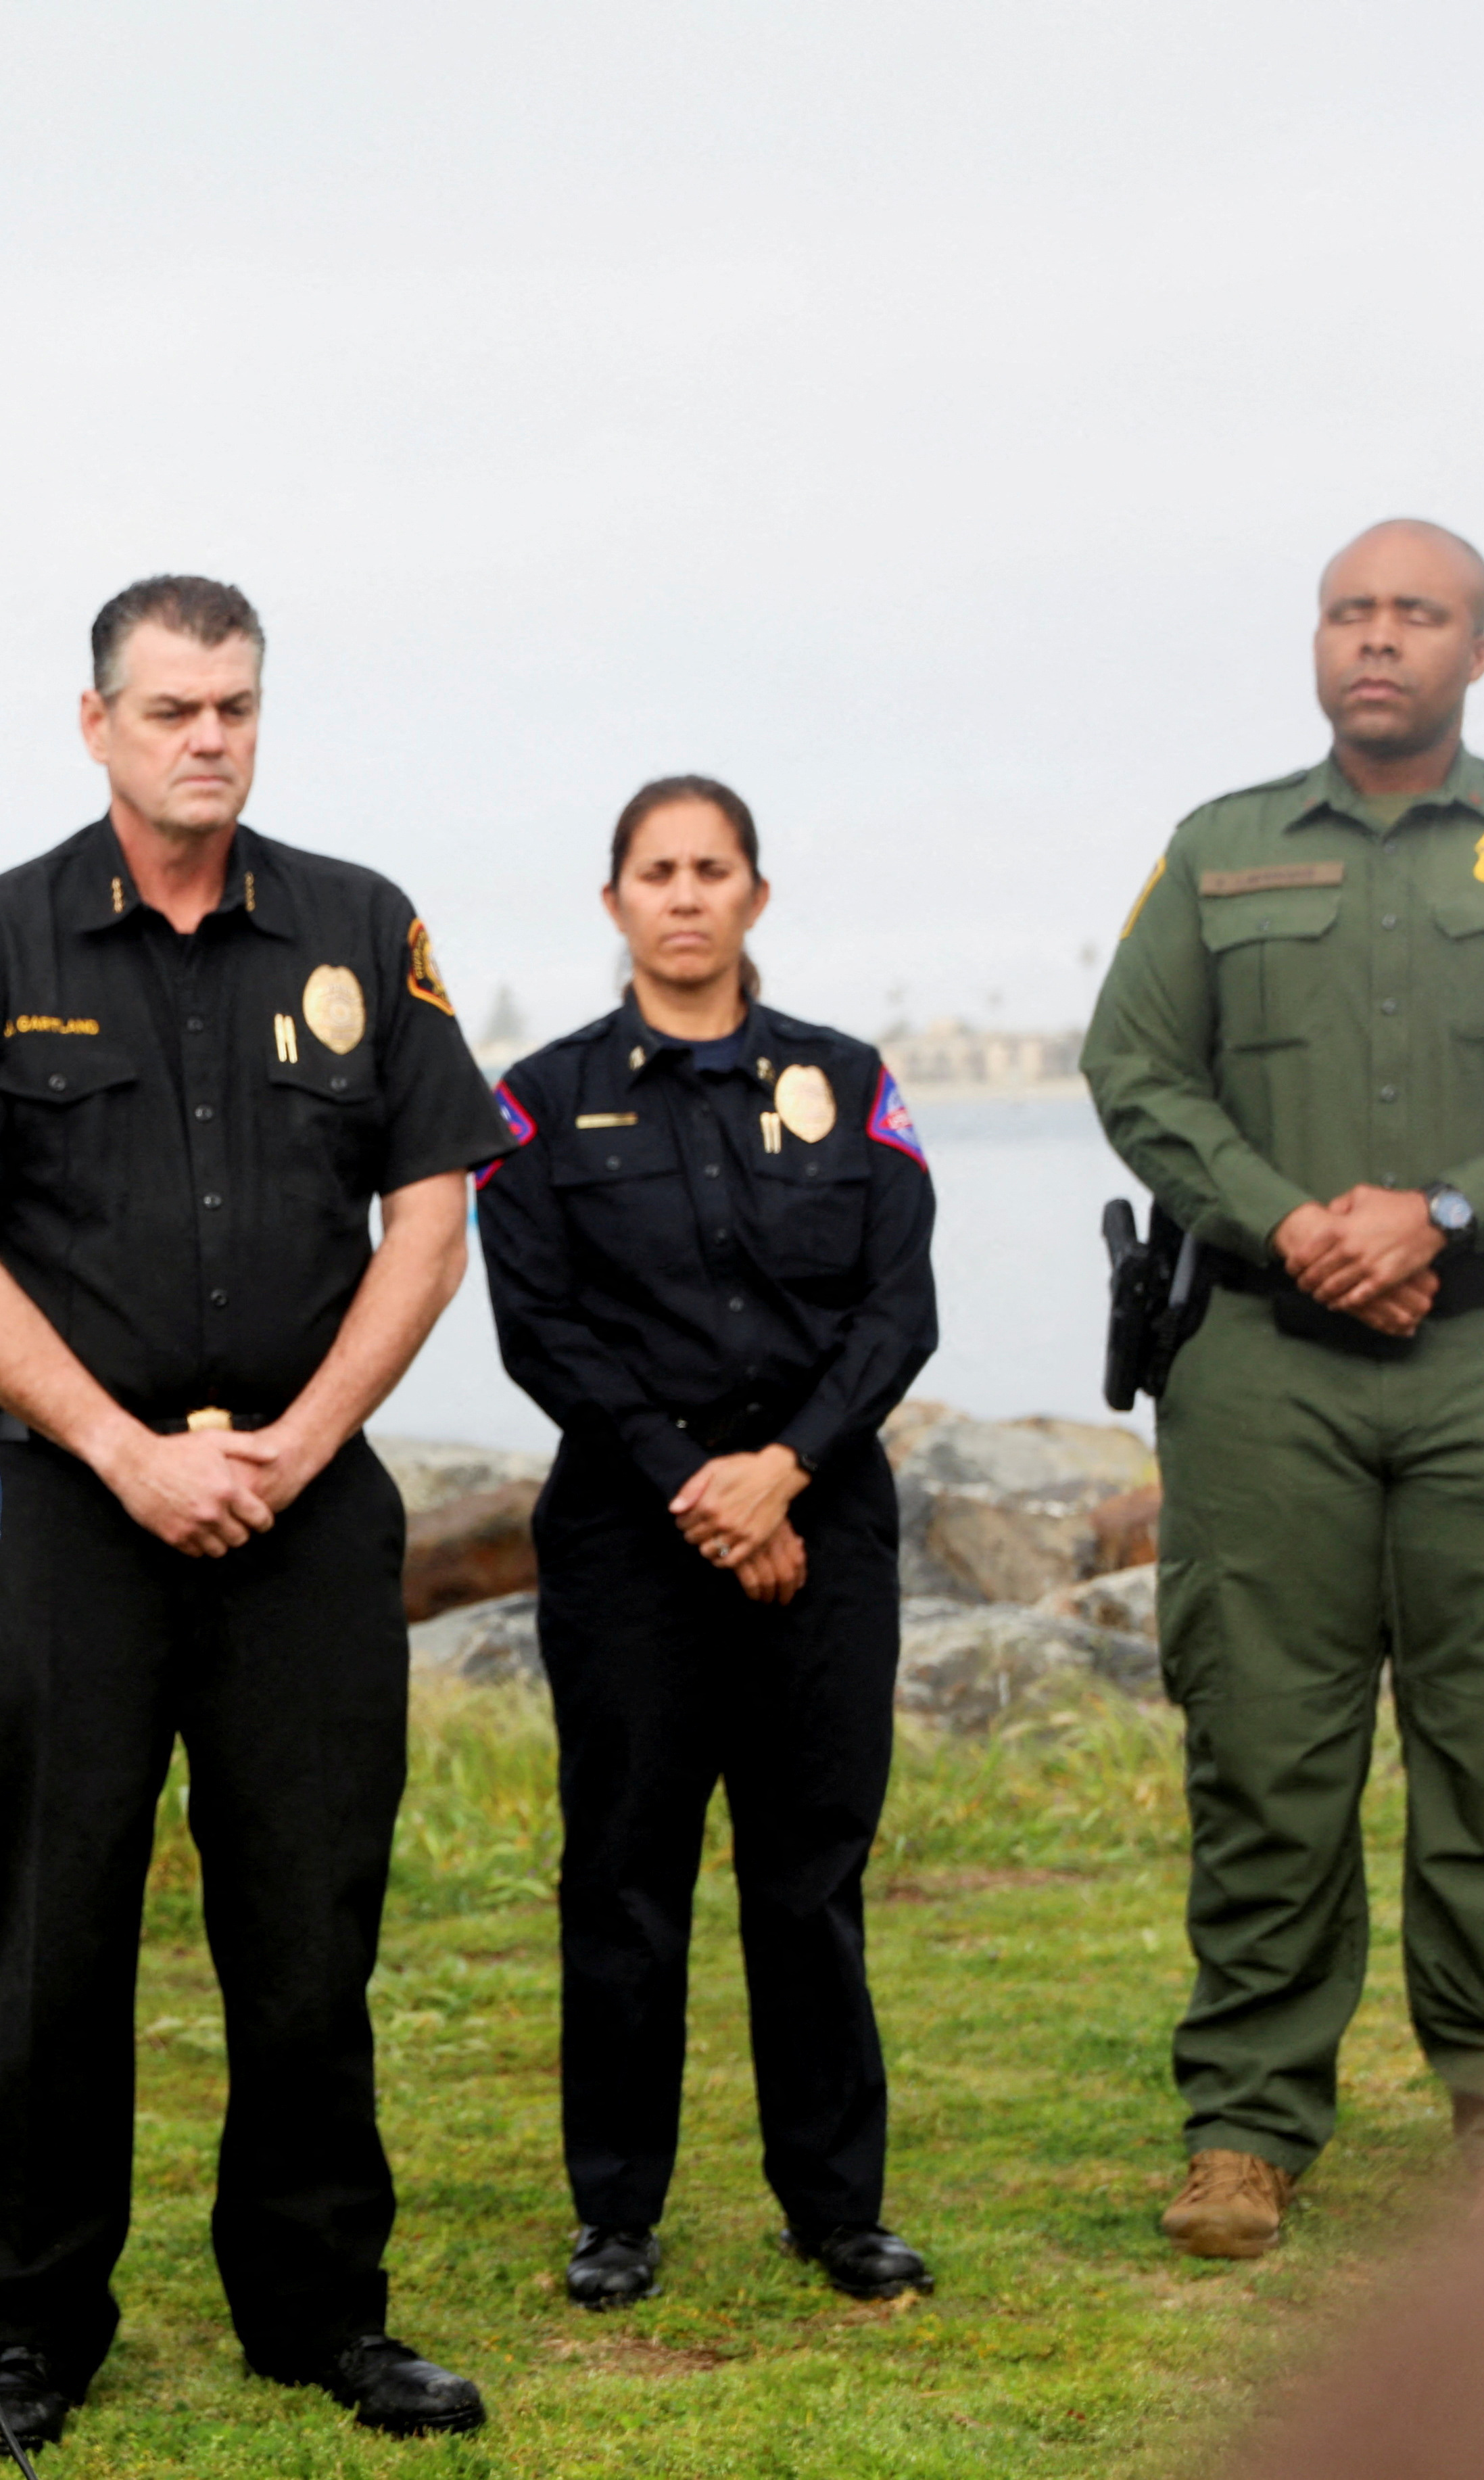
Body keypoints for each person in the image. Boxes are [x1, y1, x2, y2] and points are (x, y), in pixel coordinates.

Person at [0, 575, 505, 2447]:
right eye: (168, 709)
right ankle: (30, 2320)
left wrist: (307, 1438)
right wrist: (120, 1444)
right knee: (51, 1922)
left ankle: (318, 2305)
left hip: (301, 1503)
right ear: (95, 724)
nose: (207, 739)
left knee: (309, 1921)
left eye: (234, 706)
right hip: (69, 1505)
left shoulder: (358, 924)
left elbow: (429, 1210)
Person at [1083, 519, 1484, 2257]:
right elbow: (1132, 1063)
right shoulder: (1218, 850)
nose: (1375, 639)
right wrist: (1283, 1218)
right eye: (1348, 611)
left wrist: (1443, 1210)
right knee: (1265, 1745)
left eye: (1415, 615)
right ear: (1316, 643)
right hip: (1269, 1359)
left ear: (1474, 656)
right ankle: (1246, 2126)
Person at [471, 776, 940, 2313]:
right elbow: (540, 1332)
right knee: (620, 1876)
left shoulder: (849, 1079)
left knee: (807, 1872)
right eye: (653, 871)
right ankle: (615, 2212)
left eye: (710, 868)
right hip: (627, 1529)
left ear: (753, 894)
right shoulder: (534, 1101)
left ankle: (834, 2208)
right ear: (612, 901)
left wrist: (782, 1473)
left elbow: (896, 1312)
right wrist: (699, 1487)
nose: (682, 895)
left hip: (824, 1524)